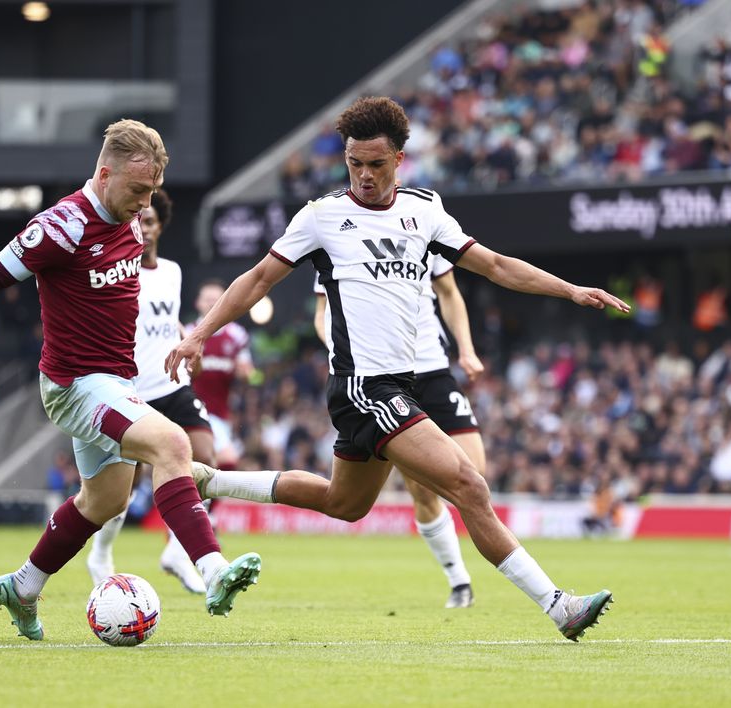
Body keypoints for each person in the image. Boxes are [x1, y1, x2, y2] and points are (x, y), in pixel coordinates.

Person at [167, 97, 627, 641]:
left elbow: (497, 265)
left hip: (400, 385)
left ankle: (210, 480)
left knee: (346, 503)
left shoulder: (424, 212)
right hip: (364, 387)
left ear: (399, 161)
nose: (363, 176)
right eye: (354, 163)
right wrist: (199, 332)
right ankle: (559, 607)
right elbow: (258, 279)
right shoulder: (321, 217)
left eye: (376, 165)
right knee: (469, 484)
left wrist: (570, 288)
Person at [0, 118, 259, 641]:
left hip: (116, 382)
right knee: (173, 444)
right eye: (137, 190)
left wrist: (178, 334)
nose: (145, 203)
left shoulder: (130, 221)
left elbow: (120, 301)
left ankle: (22, 587)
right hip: (75, 385)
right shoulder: (61, 226)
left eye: (153, 191)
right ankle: (211, 569)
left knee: (105, 501)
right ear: (104, 173)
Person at [312, 252, 485, 609]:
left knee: (474, 474)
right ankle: (459, 581)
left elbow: (450, 292)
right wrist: (343, 351)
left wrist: (466, 350)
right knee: (423, 492)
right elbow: (323, 313)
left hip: (433, 369)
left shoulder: (423, 227)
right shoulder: (335, 240)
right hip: (381, 380)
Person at [85, 188, 212, 594]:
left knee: (207, 459)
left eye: (152, 221)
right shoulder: (118, 270)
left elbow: (168, 319)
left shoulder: (173, 272)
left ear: (160, 226)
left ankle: (177, 550)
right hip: (130, 388)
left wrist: (187, 340)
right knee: (121, 488)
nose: (145, 227)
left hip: (173, 384)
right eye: (139, 219)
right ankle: (101, 552)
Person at [186, 279, 254, 468]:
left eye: (216, 300)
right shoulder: (188, 334)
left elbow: (250, 374)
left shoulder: (237, 335)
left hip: (223, 411)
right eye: (207, 299)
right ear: (198, 303)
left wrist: (248, 374)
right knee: (227, 460)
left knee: (209, 463)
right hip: (193, 408)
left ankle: (201, 497)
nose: (211, 304)